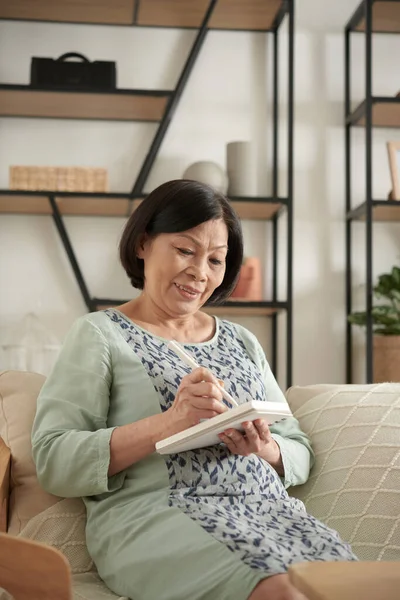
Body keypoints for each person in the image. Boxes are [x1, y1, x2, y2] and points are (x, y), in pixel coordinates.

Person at [32, 180, 356, 600]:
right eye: (185, 250)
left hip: (268, 512)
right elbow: (54, 458)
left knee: (353, 587)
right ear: (143, 243)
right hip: (157, 518)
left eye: (216, 260)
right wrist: (169, 423)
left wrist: (264, 447)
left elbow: (298, 447)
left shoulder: (242, 341)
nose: (200, 272)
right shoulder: (99, 334)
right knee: (282, 592)